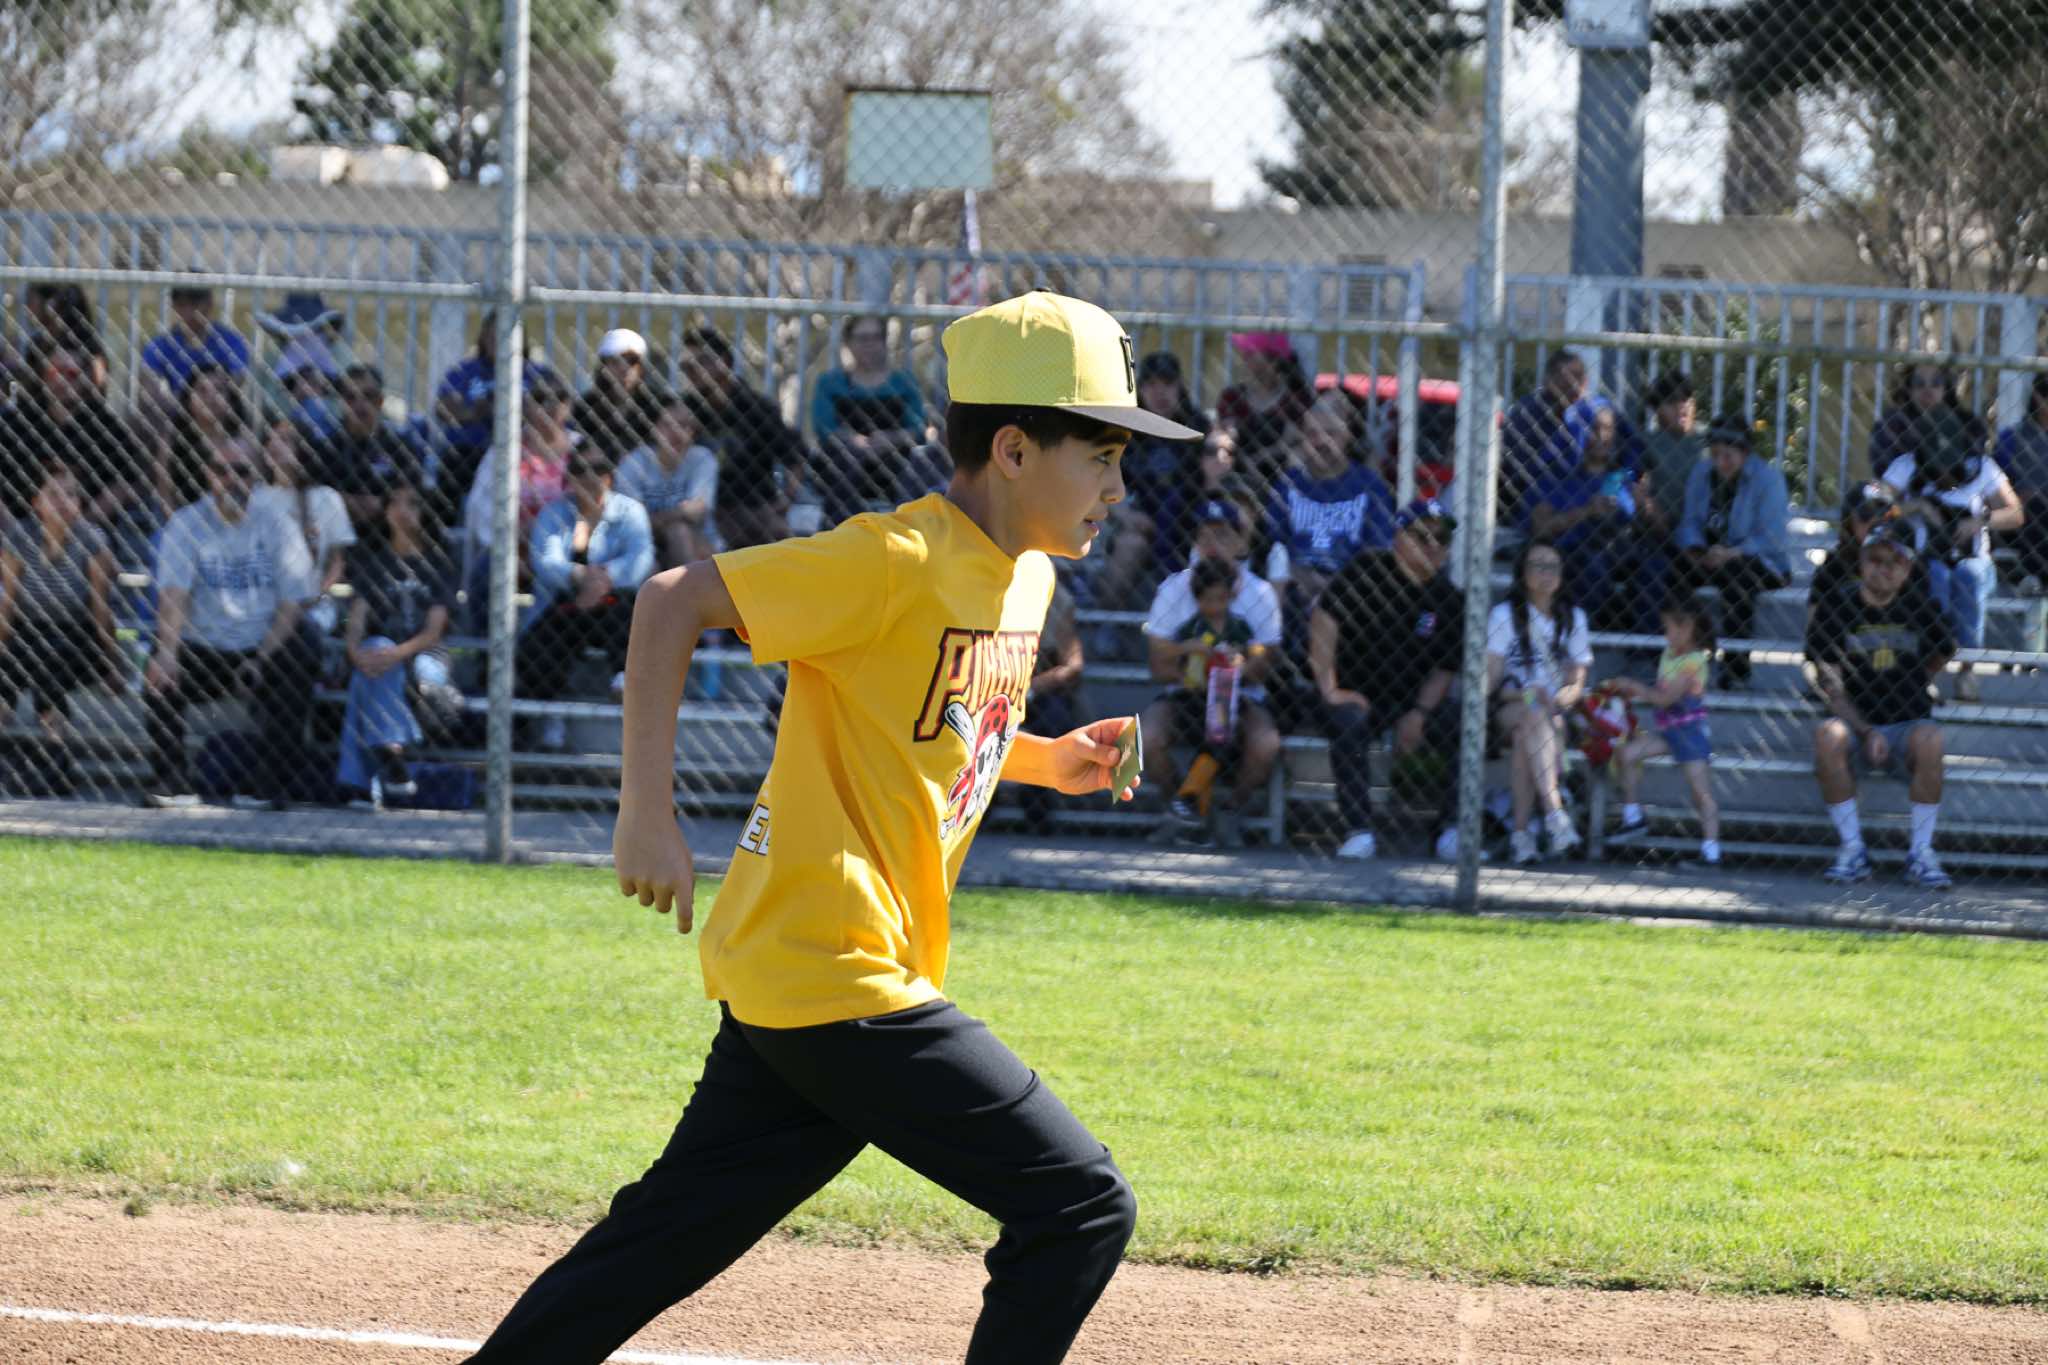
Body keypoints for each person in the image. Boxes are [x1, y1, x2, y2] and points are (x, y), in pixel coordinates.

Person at [465, 291, 1183, 1364]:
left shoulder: (1028, 578)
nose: (1117, 488)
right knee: (1079, 1204)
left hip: (806, 966)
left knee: (656, 1243)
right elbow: (669, 600)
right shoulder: (893, 559)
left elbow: (938, 724)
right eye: (1101, 456)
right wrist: (645, 815)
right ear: (1014, 450)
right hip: (837, 968)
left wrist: (1046, 758)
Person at [143, 439, 320, 810]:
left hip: (263, 645)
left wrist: (262, 657)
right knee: (158, 666)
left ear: (255, 478)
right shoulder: (186, 522)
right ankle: (172, 779)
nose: (230, 479)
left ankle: (269, 783)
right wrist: (168, 653)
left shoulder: (278, 525)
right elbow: (173, 595)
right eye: (220, 470)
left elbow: (293, 603)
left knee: (305, 645)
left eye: (240, 471)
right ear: (208, 475)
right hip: (203, 646)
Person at [1306, 497, 1464, 862]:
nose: (1433, 545)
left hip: (1408, 701)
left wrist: (1420, 713)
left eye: (1441, 539)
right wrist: (1330, 688)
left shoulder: (1449, 597)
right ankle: (1358, 830)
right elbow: (1323, 622)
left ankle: (1451, 830)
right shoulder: (1366, 571)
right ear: (1399, 537)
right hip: (1351, 691)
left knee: (1460, 722)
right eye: (1422, 536)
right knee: (1349, 722)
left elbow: (1445, 667)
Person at [1806, 520, 1956, 889]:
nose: (1884, 569)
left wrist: (1918, 681)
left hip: (1908, 723)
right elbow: (1827, 678)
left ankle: (1920, 853)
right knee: (1827, 735)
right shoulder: (1837, 605)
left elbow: (1943, 651)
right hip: (1855, 724)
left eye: (1894, 562)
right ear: (1861, 562)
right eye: (1875, 559)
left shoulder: (1921, 606)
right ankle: (1853, 850)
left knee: (1932, 739)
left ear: (1907, 568)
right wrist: (1865, 730)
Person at [1139, 498, 1283, 848]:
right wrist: (1190, 660)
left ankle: (1229, 813)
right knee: (1148, 736)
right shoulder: (1174, 588)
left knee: (1266, 743)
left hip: (1242, 695)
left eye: (1223, 536)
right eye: (1204, 536)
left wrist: (1238, 669)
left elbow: (1267, 658)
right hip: (1182, 692)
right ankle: (1184, 810)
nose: (1212, 545)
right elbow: (1158, 664)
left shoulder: (1260, 592)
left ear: (1241, 542)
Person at [1879, 410, 2023, 702]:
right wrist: (1916, 506)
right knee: (1937, 576)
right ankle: (1929, 670)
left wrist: (1981, 520)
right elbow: (1875, 506)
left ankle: (1968, 670)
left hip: (1974, 559)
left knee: (1968, 575)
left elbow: (2016, 514)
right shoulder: (1907, 465)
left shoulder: (1982, 467)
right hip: (1926, 559)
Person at [0, 455, 121, 795]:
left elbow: (101, 610)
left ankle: (56, 759)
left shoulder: (92, 540)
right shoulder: (19, 538)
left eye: (71, 494)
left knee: (49, 660)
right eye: (54, 494)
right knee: (8, 669)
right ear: (36, 502)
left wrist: (114, 664)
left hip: (78, 635)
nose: (64, 502)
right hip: (28, 631)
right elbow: (7, 605)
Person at [516, 453, 654, 751]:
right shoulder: (555, 513)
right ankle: (551, 710)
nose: (589, 482)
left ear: (609, 479)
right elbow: (545, 562)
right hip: (571, 602)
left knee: (626, 607)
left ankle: (624, 680)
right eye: (581, 475)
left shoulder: (630, 512)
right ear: (570, 480)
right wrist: (579, 575)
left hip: (614, 600)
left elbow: (640, 561)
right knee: (541, 641)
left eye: (597, 474)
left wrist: (605, 578)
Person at [337, 475, 460, 807]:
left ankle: (360, 781)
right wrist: (353, 651)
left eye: (413, 504)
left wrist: (395, 654)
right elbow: (356, 618)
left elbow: (434, 631)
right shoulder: (373, 561)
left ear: (426, 512)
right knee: (372, 655)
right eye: (394, 502)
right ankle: (391, 757)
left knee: (367, 677)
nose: (402, 511)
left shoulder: (440, 561)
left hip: (424, 655)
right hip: (381, 653)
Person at [1, 332, 150, 568]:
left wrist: (85, 521)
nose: (62, 381)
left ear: (85, 379)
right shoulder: (16, 422)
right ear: (43, 375)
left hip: (83, 536)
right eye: (55, 372)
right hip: (17, 532)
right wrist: (12, 527)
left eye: (71, 374)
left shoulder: (104, 426)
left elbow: (129, 482)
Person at [1485, 537, 1592, 864]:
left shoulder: (1573, 618)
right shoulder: (1504, 615)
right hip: (1511, 704)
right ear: (1522, 572)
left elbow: (1576, 684)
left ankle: (1521, 837)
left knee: (1527, 734)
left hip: (1554, 713)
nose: (1546, 573)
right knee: (1530, 714)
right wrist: (1529, 694)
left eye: (1553, 566)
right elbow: (1491, 683)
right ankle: (1554, 811)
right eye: (1537, 565)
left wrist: (1558, 698)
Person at [1674, 413, 1791, 689]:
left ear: (1745, 452)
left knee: (1738, 578)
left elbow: (1772, 538)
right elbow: (1690, 521)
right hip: (1709, 556)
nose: (1720, 463)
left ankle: (1736, 668)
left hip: (1759, 561)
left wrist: (1732, 553)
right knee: (1670, 572)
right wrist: (1695, 549)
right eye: (1715, 455)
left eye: (1728, 456)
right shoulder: (1702, 473)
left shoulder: (1768, 479)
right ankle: (1679, 656)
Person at [1603, 594, 1721, 868]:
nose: (1666, 634)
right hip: (1668, 731)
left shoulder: (1694, 661)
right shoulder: (1669, 654)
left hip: (1690, 734)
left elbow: (1665, 699)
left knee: (1700, 793)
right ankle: (1633, 817)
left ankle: (1711, 851)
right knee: (1626, 754)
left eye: (1669, 628)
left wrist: (1634, 687)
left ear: (1687, 628)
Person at [1262, 389, 1397, 628]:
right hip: (1294, 596)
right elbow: (1271, 546)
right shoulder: (1288, 484)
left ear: (1348, 435)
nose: (1320, 441)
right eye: (1312, 433)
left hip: (1350, 603)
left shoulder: (1370, 487)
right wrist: (1301, 577)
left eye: (1331, 432)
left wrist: (1336, 585)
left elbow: (1378, 555)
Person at [1089, 351, 1208, 612]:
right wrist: (1125, 514)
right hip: (1137, 521)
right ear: (1140, 389)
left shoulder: (1198, 426)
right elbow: (1100, 481)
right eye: (1151, 385)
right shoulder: (1126, 431)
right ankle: (1105, 620)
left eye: (1167, 384)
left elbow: (1210, 483)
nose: (1160, 393)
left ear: (1180, 387)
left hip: (1189, 520)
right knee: (1130, 544)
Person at [1527, 395, 1652, 629]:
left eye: (1608, 429)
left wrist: (1644, 504)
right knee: (1593, 564)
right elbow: (1540, 527)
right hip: (1572, 553)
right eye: (1594, 429)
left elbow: (1653, 526)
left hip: (1620, 551)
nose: (1602, 436)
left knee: (1653, 568)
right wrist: (1586, 512)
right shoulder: (1557, 476)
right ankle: (1582, 632)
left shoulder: (1625, 477)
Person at [681, 327, 805, 550]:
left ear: (724, 362)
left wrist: (785, 501)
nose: (694, 370)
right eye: (687, 365)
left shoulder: (756, 407)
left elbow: (793, 457)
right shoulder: (685, 410)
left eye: (702, 361)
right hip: (699, 505)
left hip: (753, 503)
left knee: (778, 536)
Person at [434, 311, 552, 529]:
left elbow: (555, 406)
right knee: (451, 465)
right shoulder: (466, 370)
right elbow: (444, 406)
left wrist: (520, 410)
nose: (498, 341)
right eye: (492, 335)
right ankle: (445, 533)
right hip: (471, 449)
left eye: (505, 335)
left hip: (525, 450)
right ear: (483, 338)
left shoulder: (535, 373)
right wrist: (475, 412)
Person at [810, 314, 927, 523]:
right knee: (842, 460)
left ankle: (903, 526)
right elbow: (823, 427)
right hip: (846, 457)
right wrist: (853, 441)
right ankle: (839, 528)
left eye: (876, 337)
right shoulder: (830, 383)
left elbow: (918, 428)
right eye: (862, 338)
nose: (870, 345)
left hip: (894, 456)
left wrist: (891, 438)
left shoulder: (903, 382)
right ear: (848, 343)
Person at [258, 415, 355, 636]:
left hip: (313, 602)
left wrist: (317, 595)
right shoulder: (256, 498)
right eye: (270, 439)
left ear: (303, 448)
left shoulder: (327, 498)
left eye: (284, 440)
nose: (274, 445)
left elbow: (338, 563)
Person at [314, 364, 428, 531]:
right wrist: (348, 503)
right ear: (341, 402)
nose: (359, 404)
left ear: (380, 401)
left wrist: (383, 503)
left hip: (389, 529)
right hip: (338, 527)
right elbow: (317, 494)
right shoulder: (327, 445)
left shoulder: (400, 444)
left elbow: (412, 490)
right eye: (350, 397)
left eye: (368, 396)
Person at [616, 388, 720, 570]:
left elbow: (698, 511)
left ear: (693, 431)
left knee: (678, 532)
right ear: (654, 428)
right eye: (668, 425)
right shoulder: (634, 462)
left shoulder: (702, 458)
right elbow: (633, 522)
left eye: (684, 425)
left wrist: (656, 519)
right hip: (646, 542)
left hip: (696, 540)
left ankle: (689, 586)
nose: (676, 432)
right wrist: (681, 512)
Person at [1015, 567, 1087, 834]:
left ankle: (1038, 813)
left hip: (1041, 686)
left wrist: (1033, 687)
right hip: (993, 681)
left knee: (1052, 720)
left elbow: (1073, 665)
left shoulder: (1057, 597)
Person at [1214, 331, 1313, 497]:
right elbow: (1227, 435)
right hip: (1239, 472)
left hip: (1281, 472)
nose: (1245, 359)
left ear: (1274, 362)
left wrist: (1263, 456)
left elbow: (1297, 441)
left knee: (1297, 455)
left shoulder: (1295, 399)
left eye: (1251, 354)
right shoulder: (1232, 397)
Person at [1500, 349, 1588, 528]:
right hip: (1531, 499)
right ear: (1549, 381)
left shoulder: (1589, 411)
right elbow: (1520, 473)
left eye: (1579, 378)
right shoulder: (1527, 413)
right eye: (1566, 379)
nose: (1574, 386)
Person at [156, 361, 249, 514]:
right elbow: (164, 493)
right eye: (202, 390)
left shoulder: (242, 440)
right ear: (189, 399)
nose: (210, 397)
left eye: (219, 390)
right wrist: (177, 523)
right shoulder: (172, 438)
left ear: (230, 399)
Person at [139, 280, 251, 403]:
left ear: (209, 303)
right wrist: (186, 403)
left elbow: (236, 382)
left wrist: (207, 397)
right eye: (181, 305)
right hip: (175, 410)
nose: (188, 311)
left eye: (194, 304)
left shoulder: (229, 341)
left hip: (218, 408)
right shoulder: (162, 344)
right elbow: (150, 388)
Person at [1868, 363, 1987, 475]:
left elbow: (1974, 458)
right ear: (1909, 389)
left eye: (1936, 383)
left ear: (1945, 388)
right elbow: (1882, 465)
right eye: (1919, 383)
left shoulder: (1966, 421)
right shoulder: (1893, 422)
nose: (1927, 389)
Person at [571, 328, 665, 463]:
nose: (624, 368)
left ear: (641, 368)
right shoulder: (586, 406)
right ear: (603, 367)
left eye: (632, 361)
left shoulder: (655, 404)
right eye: (616, 361)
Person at [1992, 372, 2048, 595]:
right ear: (2036, 396)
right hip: (2024, 519)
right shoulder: (2013, 437)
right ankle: (2035, 579)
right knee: (2037, 506)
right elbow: (1995, 484)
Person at [1638, 370, 1704, 555]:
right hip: (1659, 531)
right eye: (1671, 401)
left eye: (1686, 399)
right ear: (1657, 409)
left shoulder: (1708, 442)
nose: (1681, 407)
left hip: (1705, 530)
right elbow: (1630, 480)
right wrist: (1647, 504)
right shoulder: (1646, 442)